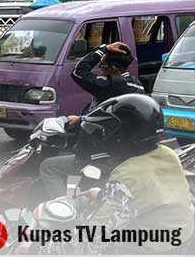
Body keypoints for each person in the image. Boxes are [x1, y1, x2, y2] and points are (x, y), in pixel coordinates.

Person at [80, 95, 195, 253]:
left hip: (154, 249)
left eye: (105, 133)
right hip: (183, 238)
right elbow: (144, 194)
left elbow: (97, 233)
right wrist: (102, 196)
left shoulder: (126, 173)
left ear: (120, 136)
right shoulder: (167, 153)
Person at [39, 41, 144, 201]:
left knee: (48, 167)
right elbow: (114, 116)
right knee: (84, 190)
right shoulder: (135, 84)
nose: (100, 71)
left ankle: (63, 212)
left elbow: (78, 71)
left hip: (104, 153)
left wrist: (103, 49)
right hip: (121, 148)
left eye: (103, 67)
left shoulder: (110, 84)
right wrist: (81, 119)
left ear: (114, 69)